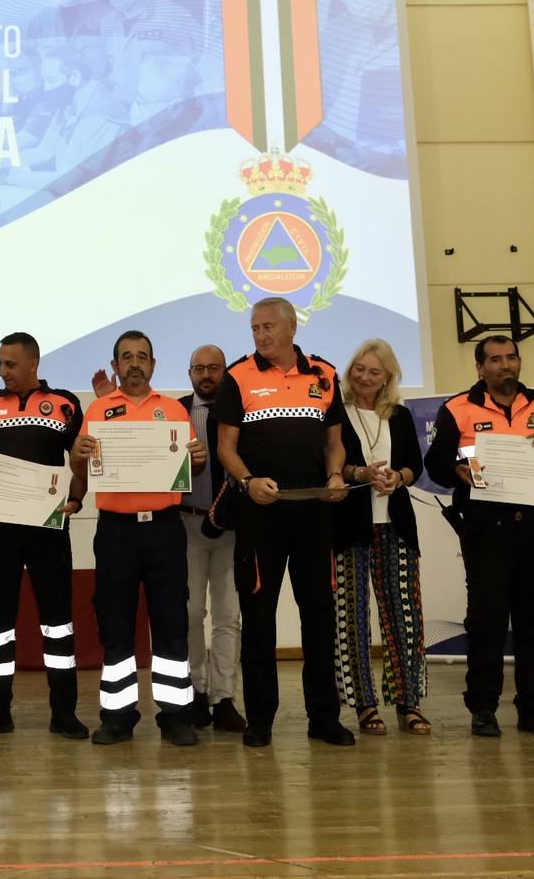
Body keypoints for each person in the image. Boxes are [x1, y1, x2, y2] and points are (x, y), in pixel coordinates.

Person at [213, 298, 355, 748]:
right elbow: (225, 449)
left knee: (319, 617)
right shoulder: (238, 377)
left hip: (314, 515)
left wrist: (335, 474)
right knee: (258, 620)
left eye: (268, 327)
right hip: (260, 518)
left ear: (292, 327)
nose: (260, 335)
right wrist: (248, 481)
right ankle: (261, 721)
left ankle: (324, 718)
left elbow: (336, 444)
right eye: (254, 328)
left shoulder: (324, 375)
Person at [424, 335, 534, 739]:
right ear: (480, 368)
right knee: (488, 621)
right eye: (495, 360)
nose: (505, 365)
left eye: (511, 358)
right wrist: (460, 469)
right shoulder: (457, 408)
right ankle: (483, 709)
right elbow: (436, 464)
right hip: (486, 528)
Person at [70, 330, 206, 746]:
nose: (134, 363)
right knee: (116, 623)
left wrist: (196, 462)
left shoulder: (173, 411)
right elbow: (83, 473)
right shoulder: (97, 410)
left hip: (164, 528)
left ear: (153, 364)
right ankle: (117, 716)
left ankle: (176, 717)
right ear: (115, 365)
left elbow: (188, 474)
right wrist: (76, 458)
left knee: (171, 623)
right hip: (115, 531)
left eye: (142, 356)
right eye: (126, 357)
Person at [0, 333, 88, 740]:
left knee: (58, 624)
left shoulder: (65, 404)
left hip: (49, 531)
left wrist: (78, 497)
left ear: (33, 364)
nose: (3, 372)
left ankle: (63, 711)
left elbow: (82, 460)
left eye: (10, 364)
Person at [330, 340, 429, 736]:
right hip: (349, 525)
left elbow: (414, 466)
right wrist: (359, 474)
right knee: (350, 620)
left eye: (374, 371)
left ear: (388, 376)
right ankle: (365, 706)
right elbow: (331, 461)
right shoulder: (334, 412)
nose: (365, 377)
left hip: (396, 525)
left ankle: (409, 703)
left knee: (404, 617)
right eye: (359, 368)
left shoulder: (401, 416)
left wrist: (397, 478)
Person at [177, 345, 246, 733]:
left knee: (227, 615)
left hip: (232, 529)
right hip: (187, 524)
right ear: (189, 373)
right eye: (199, 368)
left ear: (225, 372)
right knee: (189, 614)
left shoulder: (241, 411)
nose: (207, 375)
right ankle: (196, 692)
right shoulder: (174, 412)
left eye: (214, 368)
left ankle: (223, 698)